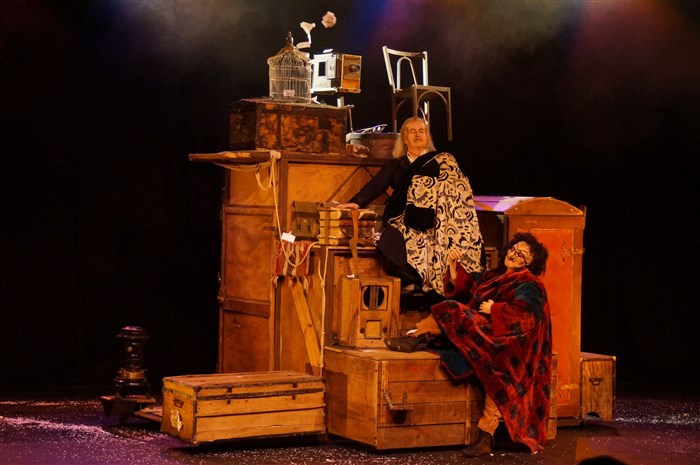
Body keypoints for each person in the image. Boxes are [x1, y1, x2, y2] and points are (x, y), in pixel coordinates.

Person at [385, 232, 553, 457]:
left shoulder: (530, 284)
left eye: (521, 254)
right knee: (454, 310)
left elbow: (527, 316)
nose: (513, 254)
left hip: (512, 344)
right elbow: (471, 289)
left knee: (494, 365)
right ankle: (418, 336)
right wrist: (454, 268)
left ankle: (419, 337)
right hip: (491, 334)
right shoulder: (497, 275)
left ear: (530, 263)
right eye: (513, 248)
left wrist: (494, 309)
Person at [337, 116, 483, 296]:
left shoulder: (441, 163)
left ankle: (436, 283)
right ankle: (415, 280)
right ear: (405, 139)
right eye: (412, 131)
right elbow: (375, 186)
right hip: (403, 221)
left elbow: (456, 191)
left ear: (427, 136)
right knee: (389, 244)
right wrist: (356, 202)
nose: (417, 135)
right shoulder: (396, 165)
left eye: (421, 131)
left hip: (434, 224)